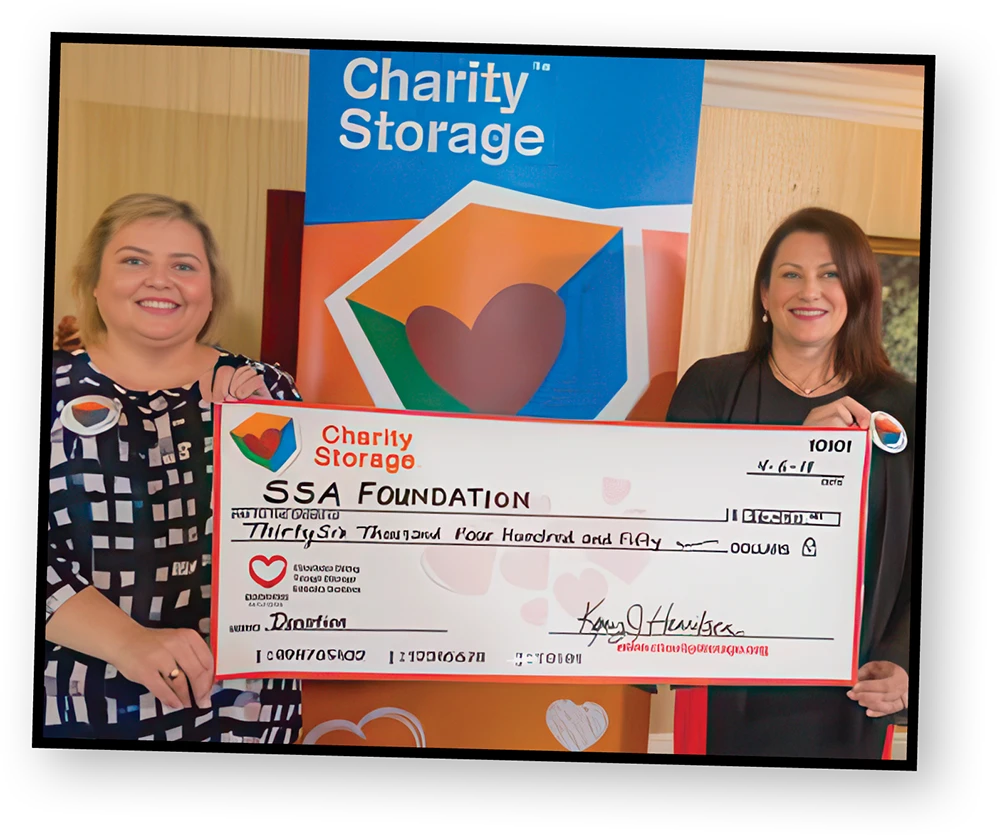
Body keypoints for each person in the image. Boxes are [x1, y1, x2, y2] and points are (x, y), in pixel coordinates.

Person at [45, 194, 303, 742]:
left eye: (184, 266)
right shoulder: (57, 392)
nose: (160, 280)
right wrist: (129, 642)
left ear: (210, 291)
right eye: (135, 261)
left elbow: (318, 529)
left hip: (248, 709)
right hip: (79, 704)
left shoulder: (267, 391)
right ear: (94, 283)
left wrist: (250, 426)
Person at [665, 207, 912, 758]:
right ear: (764, 293)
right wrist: (793, 450)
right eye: (791, 273)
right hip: (721, 669)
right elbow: (671, 518)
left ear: (857, 292)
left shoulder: (903, 408)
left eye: (829, 273)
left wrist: (903, 662)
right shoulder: (712, 385)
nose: (810, 290)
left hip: (852, 684)